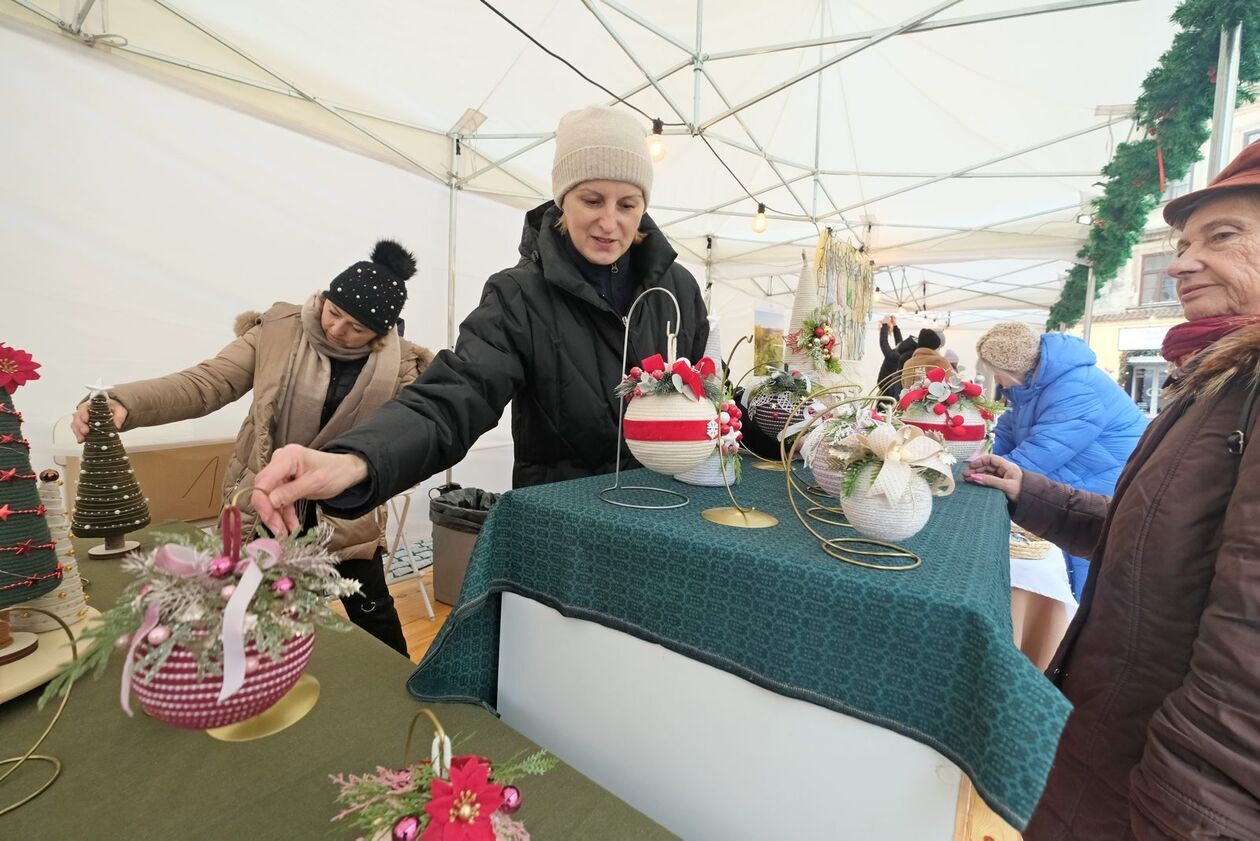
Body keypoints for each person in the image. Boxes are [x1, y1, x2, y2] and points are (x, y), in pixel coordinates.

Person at [964, 140, 1260, 838]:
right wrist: (1025, 489)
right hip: (1117, 746)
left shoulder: (1092, 390)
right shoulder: (1218, 381)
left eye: (1221, 236)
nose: (1182, 262)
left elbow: (1246, 665)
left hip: (1163, 797)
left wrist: (1184, 809)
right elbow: (1148, 536)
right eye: (1184, 243)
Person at [248, 105, 709, 536]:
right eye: (593, 200)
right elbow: (457, 394)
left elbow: (702, 398)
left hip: (663, 518)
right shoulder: (520, 296)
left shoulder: (679, 291)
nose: (610, 222)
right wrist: (357, 459)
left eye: (627, 205)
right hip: (562, 528)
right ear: (563, 199)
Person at [70, 241, 431, 656]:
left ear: (383, 333)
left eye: (357, 328)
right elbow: (206, 383)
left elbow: (411, 441)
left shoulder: (403, 369)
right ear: (324, 298)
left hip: (346, 513)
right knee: (245, 610)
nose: (336, 330)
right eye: (334, 312)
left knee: (373, 614)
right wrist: (123, 402)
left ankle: (396, 694)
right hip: (261, 500)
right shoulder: (277, 332)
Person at [975, 321, 1146, 601]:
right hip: (1082, 475)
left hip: (1101, 481)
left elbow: (1045, 450)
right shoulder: (1034, 385)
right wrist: (987, 458)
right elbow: (1010, 427)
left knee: (1082, 558)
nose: (997, 381)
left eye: (996, 373)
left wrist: (993, 473)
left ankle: (1067, 617)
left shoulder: (1073, 387)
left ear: (1011, 369)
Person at [875, 315, 908, 396]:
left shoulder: (892, 355)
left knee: (883, 405)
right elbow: (899, 342)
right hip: (894, 387)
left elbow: (883, 342)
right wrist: (895, 326)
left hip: (885, 385)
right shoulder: (903, 355)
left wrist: (885, 325)